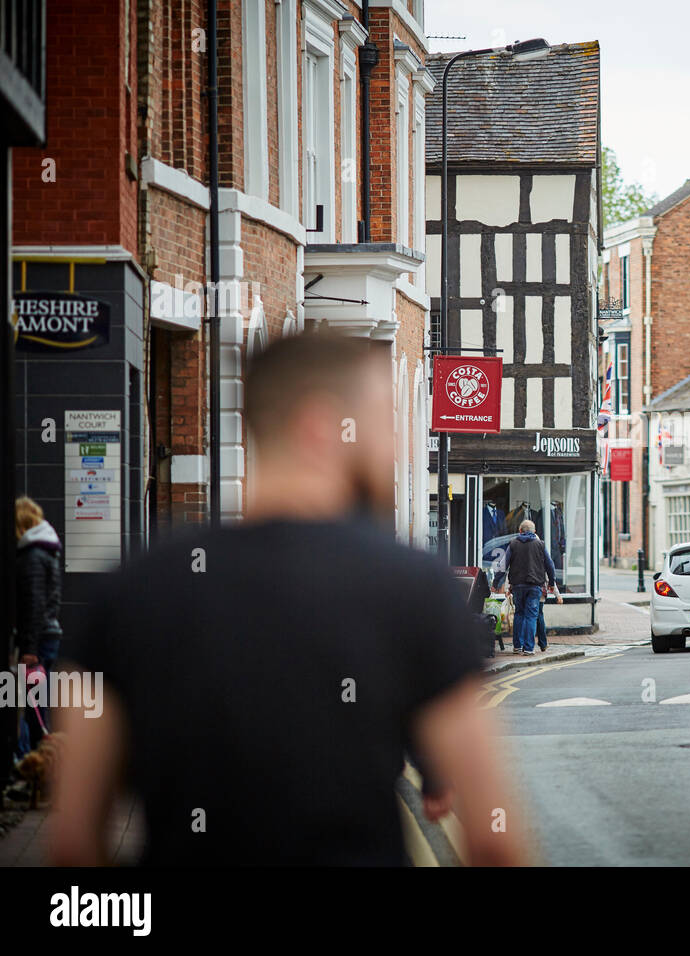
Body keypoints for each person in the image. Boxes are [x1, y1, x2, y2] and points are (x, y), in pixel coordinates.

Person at [50, 333, 527, 866]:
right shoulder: (415, 588)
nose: (393, 447)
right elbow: (494, 840)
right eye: (380, 424)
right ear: (321, 426)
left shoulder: (129, 591)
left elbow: (73, 843)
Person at [14, 497, 63, 755]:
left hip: (37, 638)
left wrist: (29, 647)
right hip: (48, 634)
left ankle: (31, 761)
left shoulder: (32, 555)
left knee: (28, 703)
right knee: (36, 703)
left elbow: (33, 602)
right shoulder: (47, 551)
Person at [492, 520, 560, 656]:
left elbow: (503, 565)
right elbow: (550, 565)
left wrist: (495, 583)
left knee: (519, 615)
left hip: (517, 586)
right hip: (535, 586)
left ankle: (517, 646)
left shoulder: (513, 544)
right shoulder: (540, 545)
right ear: (534, 532)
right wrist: (551, 583)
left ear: (520, 530)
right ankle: (529, 648)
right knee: (531, 616)